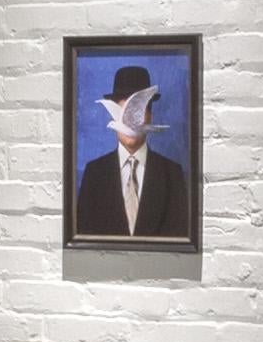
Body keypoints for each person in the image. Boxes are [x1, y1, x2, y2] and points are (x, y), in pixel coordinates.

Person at [71, 63, 191, 238]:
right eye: (123, 112)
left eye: (137, 112)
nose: (130, 122)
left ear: (150, 116)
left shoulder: (172, 174)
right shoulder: (94, 174)